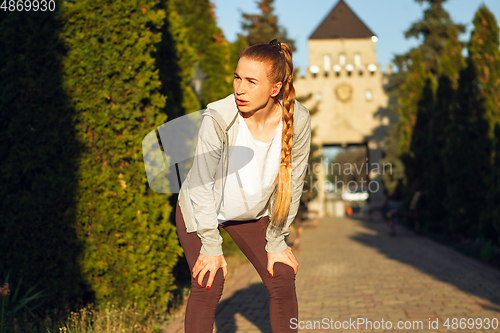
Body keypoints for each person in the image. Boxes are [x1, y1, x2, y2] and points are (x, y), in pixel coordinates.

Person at [176, 39, 311, 332]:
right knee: (209, 280)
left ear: (274, 89)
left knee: (283, 276)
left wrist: (277, 240)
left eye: (251, 81)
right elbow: (200, 184)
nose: (240, 88)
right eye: (237, 77)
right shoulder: (219, 117)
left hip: (250, 214)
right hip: (201, 209)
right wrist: (211, 245)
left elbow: (293, 185)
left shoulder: (297, 120)